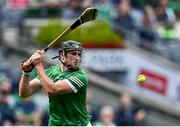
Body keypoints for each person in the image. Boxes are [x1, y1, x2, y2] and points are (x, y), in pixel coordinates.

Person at [19, 40, 91, 126]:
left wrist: (38, 65)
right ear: (62, 55)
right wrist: (26, 73)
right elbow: (24, 93)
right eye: (73, 54)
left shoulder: (80, 76)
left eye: (79, 54)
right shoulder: (51, 72)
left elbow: (53, 89)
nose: (77, 58)